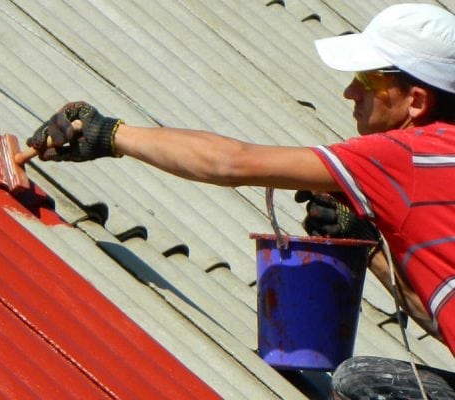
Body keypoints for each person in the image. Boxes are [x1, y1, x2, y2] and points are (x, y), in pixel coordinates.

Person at [27, 3, 455, 399]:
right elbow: (440, 319)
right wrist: (372, 250)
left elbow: (231, 162)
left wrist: (111, 135)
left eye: (366, 80)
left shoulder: (408, 155)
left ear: (416, 102)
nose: (349, 92)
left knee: (359, 385)